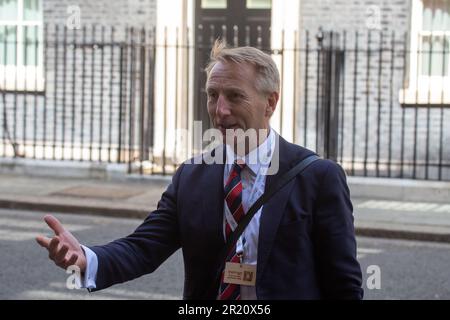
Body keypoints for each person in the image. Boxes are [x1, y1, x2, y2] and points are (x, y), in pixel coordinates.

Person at [36, 40, 363, 300]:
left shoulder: (317, 177)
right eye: (212, 95)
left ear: (271, 102)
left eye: (235, 96)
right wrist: (86, 258)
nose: (220, 111)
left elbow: (343, 284)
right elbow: (144, 247)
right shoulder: (192, 175)